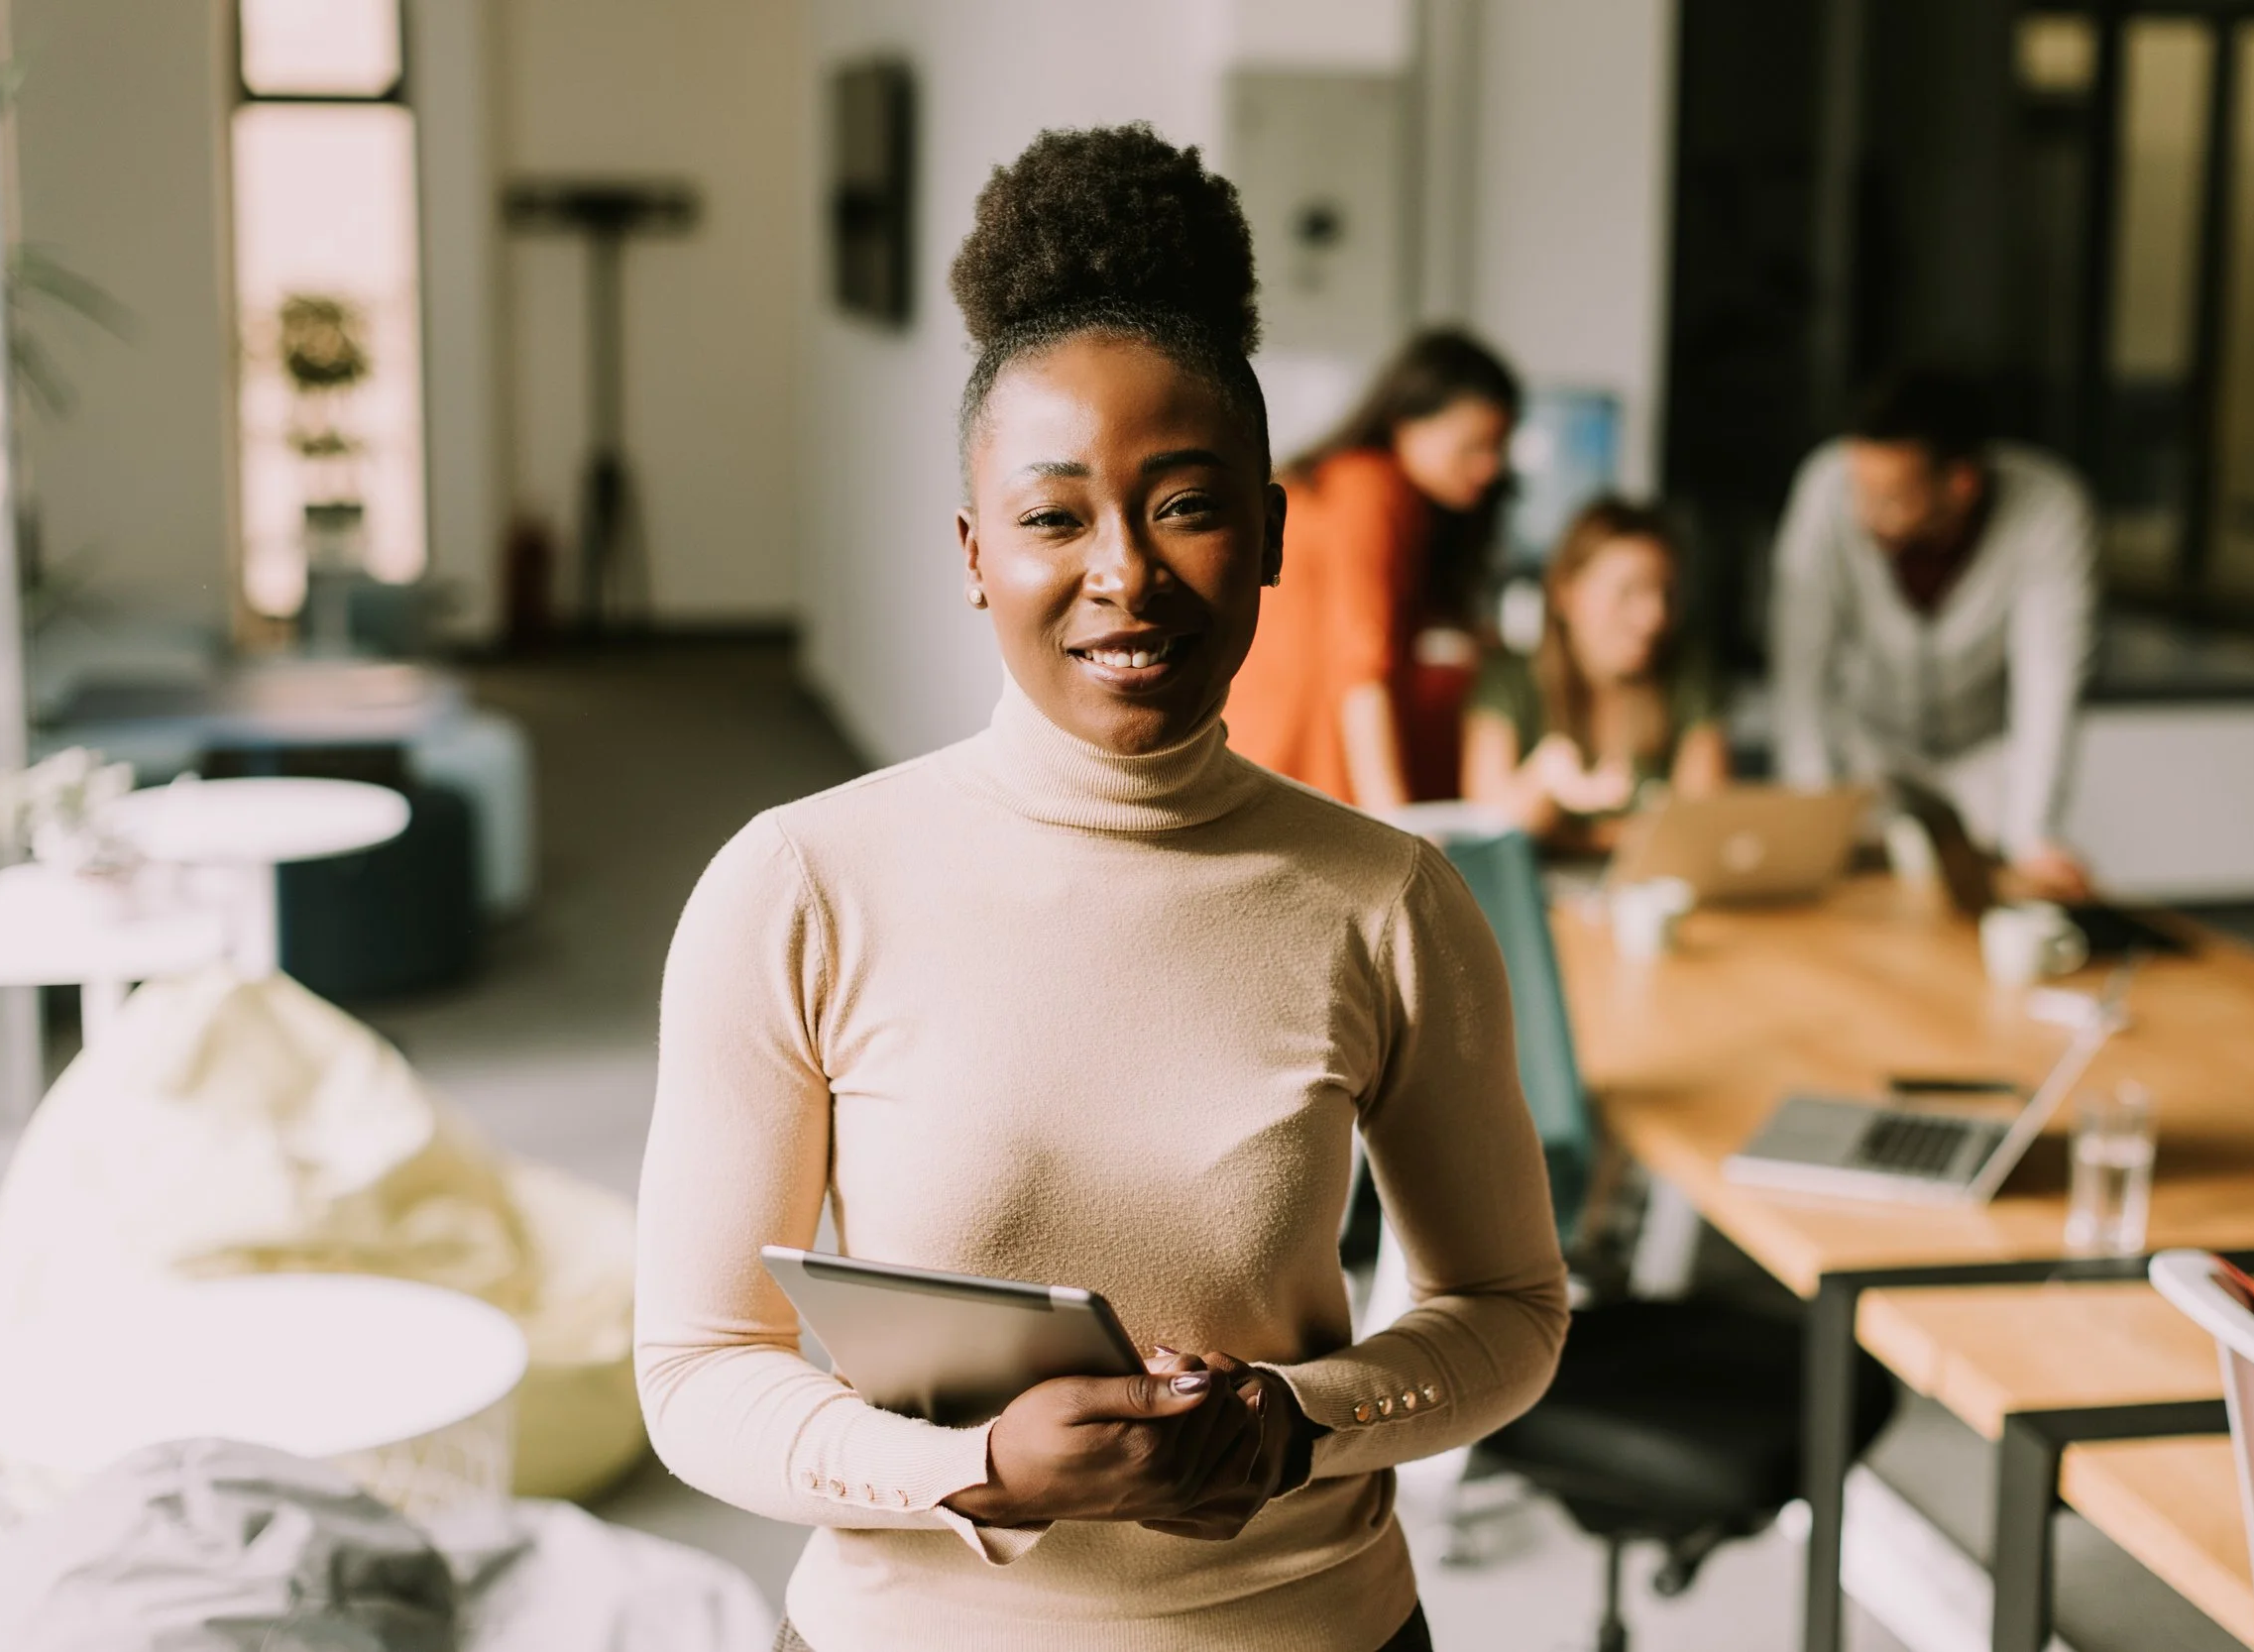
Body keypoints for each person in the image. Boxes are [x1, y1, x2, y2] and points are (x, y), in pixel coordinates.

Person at [633, 126, 1567, 1652]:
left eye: (1187, 503)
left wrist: (1294, 1423)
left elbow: (1513, 1309)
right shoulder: (800, 885)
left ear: (1270, 532)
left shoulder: (1388, 899)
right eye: (1054, 517)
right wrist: (973, 1468)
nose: (1123, 572)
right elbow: (694, 1366)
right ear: (974, 553)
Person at [1769, 369, 2097, 899]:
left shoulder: (2050, 509)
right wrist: (1812, 813)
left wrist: (2033, 835)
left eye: (1890, 498)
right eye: (1860, 490)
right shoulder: (1826, 489)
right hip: (1867, 748)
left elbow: (2050, 682)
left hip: (1985, 755)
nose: (1864, 513)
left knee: (1996, 900)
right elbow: (1801, 671)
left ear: (1960, 484)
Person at [1222, 329, 1521, 809]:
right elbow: (1362, 668)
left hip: (1257, 745)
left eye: (1498, 449)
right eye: (1472, 446)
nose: (1490, 468)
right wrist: (1398, 826)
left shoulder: (1346, 481)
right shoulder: (1371, 488)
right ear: (1407, 421)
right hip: (1294, 755)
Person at [1461, 496, 1727, 842]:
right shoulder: (1508, 678)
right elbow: (1484, 833)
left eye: (1666, 593)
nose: (1655, 617)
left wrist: (1570, 832)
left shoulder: (1686, 673)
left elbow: (1705, 821)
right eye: (1629, 591)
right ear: (1566, 592)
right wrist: (1542, 780)